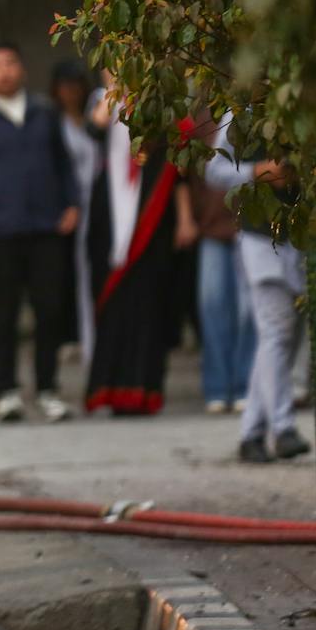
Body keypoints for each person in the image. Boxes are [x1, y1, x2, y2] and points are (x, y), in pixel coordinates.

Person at [0, 40, 81, 423]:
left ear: (22, 68)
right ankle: (5, 392)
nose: (5, 71)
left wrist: (72, 205)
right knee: (3, 316)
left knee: (49, 313)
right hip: (0, 235)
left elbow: (64, 164)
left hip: (46, 229)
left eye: (11, 63)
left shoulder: (45, 113)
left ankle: (47, 390)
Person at [206, 115, 313, 463]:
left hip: (301, 238)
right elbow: (214, 171)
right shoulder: (242, 113)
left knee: (283, 336)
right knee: (276, 332)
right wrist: (255, 172)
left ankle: (251, 434)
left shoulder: (304, 104)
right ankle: (282, 428)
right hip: (259, 237)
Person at [83, 111, 198, 415]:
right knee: (114, 307)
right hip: (110, 225)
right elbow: (90, 135)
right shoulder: (104, 108)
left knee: (150, 306)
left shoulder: (164, 109)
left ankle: (145, 390)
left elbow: (180, 174)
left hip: (154, 225)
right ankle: (109, 388)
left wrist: (184, 218)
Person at [187, 111, 255, 413]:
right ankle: (217, 386)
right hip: (212, 225)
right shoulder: (202, 114)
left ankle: (244, 385)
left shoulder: (254, 113)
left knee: (247, 310)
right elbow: (191, 171)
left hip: (250, 225)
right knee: (212, 305)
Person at [51, 61, 103, 358]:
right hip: (68, 209)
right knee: (68, 276)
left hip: (97, 204)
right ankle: (74, 335)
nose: (71, 92)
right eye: (65, 86)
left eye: (76, 85)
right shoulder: (53, 122)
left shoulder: (94, 117)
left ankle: (94, 337)